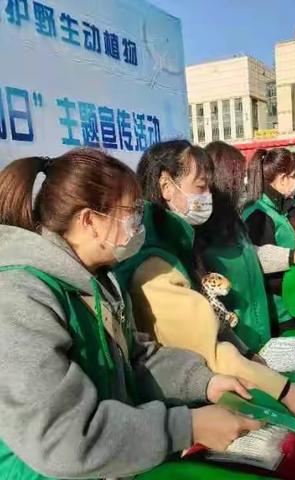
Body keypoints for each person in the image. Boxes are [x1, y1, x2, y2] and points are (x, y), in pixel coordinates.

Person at [0, 149, 261, 479]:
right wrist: (185, 426)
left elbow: (136, 360)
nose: (139, 225)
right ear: (89, 220)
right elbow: (63, 437)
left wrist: (204, 383)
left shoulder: (98, 280)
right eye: (131, 213)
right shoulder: (18, 295)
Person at [116, 140, 295, 419]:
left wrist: (248, 355)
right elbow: (209, 351)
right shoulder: (155, 266)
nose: (208, 195)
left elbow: (214, 322)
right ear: (166, 186)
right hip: (190, 409)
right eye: (200, 187)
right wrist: (283, 391)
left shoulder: (179, 242)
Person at [196, 141, 295, 352]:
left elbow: (249, 253)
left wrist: (289, 257)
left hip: (260, 330)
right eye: (238, 176)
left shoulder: (233, 221)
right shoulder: (200, 231)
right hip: (237, 342)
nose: (243, 183)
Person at [243, 148, 295, 334]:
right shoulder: (260, 214)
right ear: (283, 179)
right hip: (281, 314)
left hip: (292, 304)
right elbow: (263, 270)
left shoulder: (275, 210)